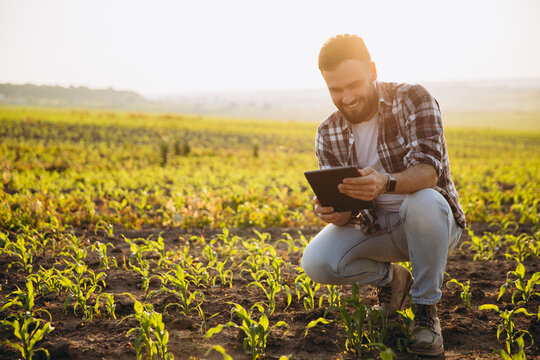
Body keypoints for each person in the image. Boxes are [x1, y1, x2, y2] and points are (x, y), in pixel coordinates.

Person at [301, 34, 466, 357]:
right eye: (335, 89)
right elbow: (348, 214)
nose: (346, 97)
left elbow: (429, 172)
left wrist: (385, 183)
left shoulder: (413, 99)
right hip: (376, 228)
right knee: (317, 262)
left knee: (424, 200)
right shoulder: (328, 131)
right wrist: (334, 212)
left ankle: (425, 313)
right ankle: (392, 280)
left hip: (431, 224)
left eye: (353, 85)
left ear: (373, 70)